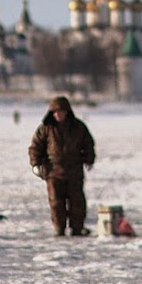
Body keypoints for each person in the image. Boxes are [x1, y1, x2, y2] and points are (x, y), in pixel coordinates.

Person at [28, 95, 96, 237]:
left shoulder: (78, 127)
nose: (59, 115)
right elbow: (35, 147)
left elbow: (88, 144)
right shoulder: (45, 128)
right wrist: (35, 164)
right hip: (53, 172)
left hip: (74, 171)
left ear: (67, 112)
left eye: (62, 111)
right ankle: (59, 228)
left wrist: (89, 159)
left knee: (77, 202)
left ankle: (77, 229)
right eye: (56, 112)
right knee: (56, 203)